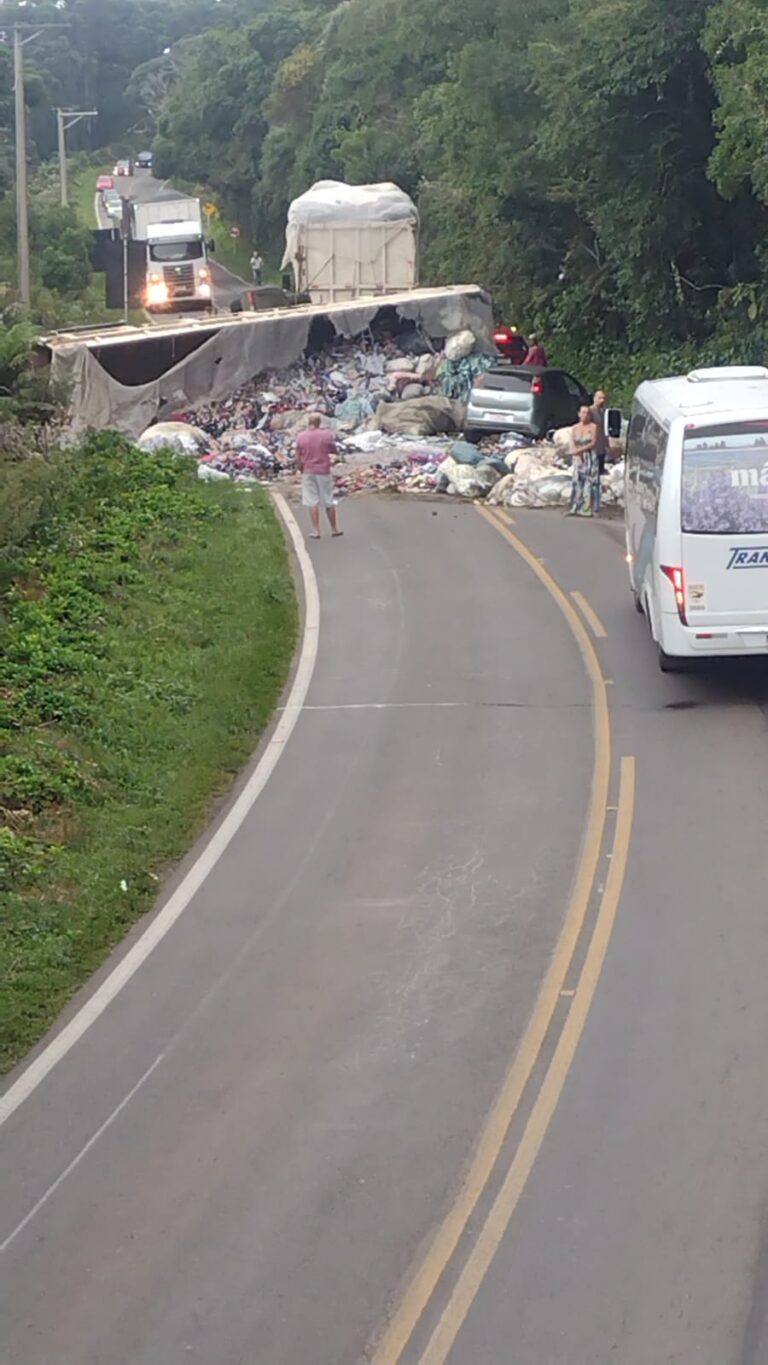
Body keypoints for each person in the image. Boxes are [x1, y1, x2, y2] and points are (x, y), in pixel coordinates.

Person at [295, 414, 343, 539]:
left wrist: (300, 467)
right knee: (328, 500)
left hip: (308, 470)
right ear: (319, 423)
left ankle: (316, 531)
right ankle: (334, 529)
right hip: (323, 470)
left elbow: (297, 456)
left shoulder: (301, 436)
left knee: (312, 501)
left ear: (308, 422)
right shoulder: (326, 435)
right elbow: (333, 450)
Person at [567, 404, 599, 517]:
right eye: (583, 413)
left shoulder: (593, 427)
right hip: (578, 457)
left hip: (589, 456)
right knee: (577, 481)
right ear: (579, 414)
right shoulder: (575, 428)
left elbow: (593, 442)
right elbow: (573, 441)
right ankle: (576, 505)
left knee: (589, 482)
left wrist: (581, 450)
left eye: (587, 413)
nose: (585, 415)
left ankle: (588, 507)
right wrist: (576, 453)